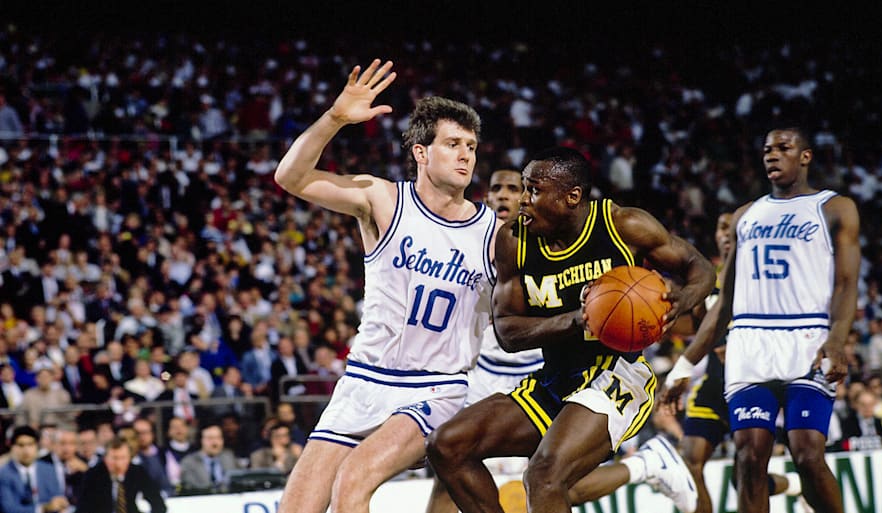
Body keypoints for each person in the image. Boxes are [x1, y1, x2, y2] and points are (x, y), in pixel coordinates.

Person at [427, 147, 715, 513]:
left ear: (572, 196)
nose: (523, 201)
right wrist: (578, 319)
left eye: (533, 190)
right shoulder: (514, 240)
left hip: (617, 375)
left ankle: (647, 462)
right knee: (447, 445)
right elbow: (508, 333)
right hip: (555, 379)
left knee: (543, 476)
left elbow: (699, 267)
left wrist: (683, 299)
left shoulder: (622, 225)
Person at [274, 59, 498, 513]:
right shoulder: (383, 200)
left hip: (437, 387)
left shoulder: (493, 233)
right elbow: (289, 178)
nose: (465, 156)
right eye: (452, 144)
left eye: (471, 147)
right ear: (421, 153)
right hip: (364, 378)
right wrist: (334, 118)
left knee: (353, 483)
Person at [662, 127, 860, 513]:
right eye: (768, 149)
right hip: (750, 342)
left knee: (807, 454)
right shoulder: (745, 215)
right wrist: (684, 366)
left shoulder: (834, 208)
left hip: (807, 339)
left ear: (805, 156)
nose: (772, 154)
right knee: (749, 457)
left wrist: (837, 339)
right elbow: (725, 302)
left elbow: (847, 283)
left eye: (784, 148)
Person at [660, 212, 804, 512]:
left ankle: (795, 485)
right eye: (721, 226)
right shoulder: (706, 281)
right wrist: (654, 316)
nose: (726, 232)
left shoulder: (763, 276)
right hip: (715, 387)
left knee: (745, 478)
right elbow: (696, 327)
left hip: (754, 385)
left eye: (732, 226)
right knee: (690, 462)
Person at [426, 169, 544, 513]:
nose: (504, 194)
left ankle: (646, 465)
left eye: (513, 188)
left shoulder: (547, 240)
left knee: (546, 477)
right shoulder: (467, 241)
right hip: (483, 373)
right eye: (497, 188)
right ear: (487, 197)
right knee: (448, 465)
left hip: (535, 371)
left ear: (526, 197)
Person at [74, 437, 167, 513]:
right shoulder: (93, 475)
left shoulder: (137, 472)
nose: (118, 464)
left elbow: (158, 503)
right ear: (105, 458)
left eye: (123, 458)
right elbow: (83, 508)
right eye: (114, 458)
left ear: (129, 458)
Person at [0, 425, 69, 513]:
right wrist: (43, 508)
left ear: (37, 446)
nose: (26, 450)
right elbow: (8, 509)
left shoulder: (49, 470)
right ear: (12, 447)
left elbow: (57, 498)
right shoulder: (4, 474)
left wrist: (60, 504)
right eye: (21, 445)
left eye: (30, 444)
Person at [178, 422, 241, 493]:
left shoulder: (229, 457)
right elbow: (190, 487)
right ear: (201, 440)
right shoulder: (189, 462)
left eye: (218, 438)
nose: (215, 442)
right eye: (210, 438)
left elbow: (240, 480)